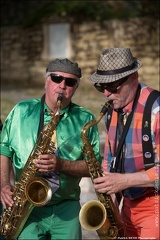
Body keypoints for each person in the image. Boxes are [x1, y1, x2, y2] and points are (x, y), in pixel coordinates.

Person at [0, 58, 102, 240]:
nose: (62, 85)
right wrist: (4, 184)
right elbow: (4, 149)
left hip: (66, 206)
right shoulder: (21, 111)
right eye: (57, 78)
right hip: (26, 207)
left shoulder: (85, 119)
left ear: (76, 88)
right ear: (47, 80)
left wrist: (61, 165)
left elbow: (94, 168)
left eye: (70, 82)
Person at [90, 48, 160, 239]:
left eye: (112, 87)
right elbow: (110, 158)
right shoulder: (112, 111)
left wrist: (124, 181)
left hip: (154, 205)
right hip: (127, 206)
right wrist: (109, 197)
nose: (106, 94)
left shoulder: (156, 111)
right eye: (101, 87)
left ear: (133, 78)